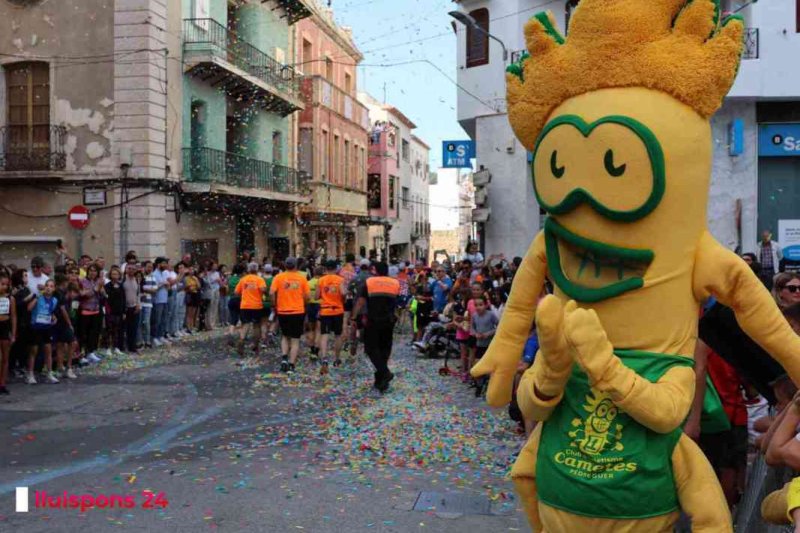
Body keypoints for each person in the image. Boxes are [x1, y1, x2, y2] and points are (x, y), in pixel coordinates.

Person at [353, 262, 399, 393]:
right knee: (384, 348)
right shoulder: (395, 283)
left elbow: (361, 302)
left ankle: (385, 372)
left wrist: (353, 317)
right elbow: (399, 300)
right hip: (389, 320)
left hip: (373, 320)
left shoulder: (370, 282)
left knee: (371, 348)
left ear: (376, 270)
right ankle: (380, 381)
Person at [270, 257, 310, 373]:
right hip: (297, 311)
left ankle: (284, 358)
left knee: (285, 336)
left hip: (283, 311)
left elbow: (271, 293)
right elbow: (307, 297)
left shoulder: (278, 277)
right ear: (296, 266)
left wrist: (275, 304)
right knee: (295, 339)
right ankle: (292, 364)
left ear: (285, 266)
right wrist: (303, 303)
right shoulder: (301, 278)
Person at [27, 279, 62, 384]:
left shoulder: (54, 300)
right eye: (47, 285)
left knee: (48, 350)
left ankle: (49, 373)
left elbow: (49, 312)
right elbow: (29, 308)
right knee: (33, 351)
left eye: (51, 286)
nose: (48, 288)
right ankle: (30, 374)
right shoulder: (39, 298)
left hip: (46, 328)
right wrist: (36, 297)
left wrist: (53, 317)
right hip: (36, 327)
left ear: (54, 289)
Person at [317, 260, 346, 373]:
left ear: (326, 268)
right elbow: (343, 293)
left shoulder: (321, 280)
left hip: (325, 311)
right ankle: (337, 358)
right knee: (338, 335)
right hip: (338, 310)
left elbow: (317, 295)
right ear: (336, 268)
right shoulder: (340, 279)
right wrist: (342, 298)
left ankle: (324, 358)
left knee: (324, 334)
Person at [235, 262, 267, 357]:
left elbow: (236, 292)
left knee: (245, 324)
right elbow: (263, 290)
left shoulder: (243, 279)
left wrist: (245, 293)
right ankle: (255, 345)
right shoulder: (259, 279)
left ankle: (241, 340)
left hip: (245, 305)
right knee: (256, 326)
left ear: (248, 270)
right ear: (257, 270)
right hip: (257, 305)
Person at [470, 295, 498, 397]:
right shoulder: (474, 316)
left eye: (480, 305)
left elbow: (499, 327)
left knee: (490, 368)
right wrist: (476, 333)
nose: (478, 307)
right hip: (479, 345)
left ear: (485, 305)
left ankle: (490, 387)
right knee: (477, 366)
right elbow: (471, 328)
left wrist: (489, 333)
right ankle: (479, 385)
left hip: (490, 346)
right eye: (476, 305)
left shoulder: (491, 315)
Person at [53, 274, 78, 379]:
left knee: (60, 345)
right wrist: (69, 324)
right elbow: (63, 311)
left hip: (60, 323)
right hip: (62, 323)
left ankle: (60, 367)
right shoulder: (61, 295)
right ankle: (68, 367)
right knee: (73, 343)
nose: (75, 295)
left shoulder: (66, 297)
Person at [79, 263, 105, 362]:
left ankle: (91, 352)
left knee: (94, 333)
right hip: (85, 311)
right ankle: (82, 353)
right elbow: (84, 295)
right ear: (87, 271)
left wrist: (102, 290)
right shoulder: (83, 281)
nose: (92, 272)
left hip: (96, 310)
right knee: (84, 334)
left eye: (95, 271)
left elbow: (103, 295)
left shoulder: (98, 281)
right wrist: (95, 289)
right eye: (91, 270)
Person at [0, 272, 17, 394]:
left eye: (6, 284)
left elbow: (13, 316)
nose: (4, 287)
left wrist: (14, 333)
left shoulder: (10, 298)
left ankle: (2, 383)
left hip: (5, 328)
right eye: (2, 284)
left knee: (5, 357)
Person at [104, 266, 126, 356]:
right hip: (110, 310)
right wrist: (114, 288)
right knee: (109, 330)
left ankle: (116, 347)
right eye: (113, 274)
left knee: (117, 330)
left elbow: (123, 298)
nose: (115, 276)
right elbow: (108, 297)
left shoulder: (121, 285)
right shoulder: (107, 286)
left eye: (116, 274)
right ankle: (108, 348)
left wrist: (124, 311)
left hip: (119, 311)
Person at [151, 258, 170, 346]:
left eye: (166, 263)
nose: (165, 265)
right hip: (157, 300)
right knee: (157, 320)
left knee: (164, 319)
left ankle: (161, 336)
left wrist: (167, 285)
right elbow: (154, 287)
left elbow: (167, 285)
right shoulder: (154, 274)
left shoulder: (164, 273)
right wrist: (163, 284)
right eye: (163, 263)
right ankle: (154, 337)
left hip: (164, 299)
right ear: (158, 264)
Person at [305, 266, 323, 360]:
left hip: (310, 305)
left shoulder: (308, 282)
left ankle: (311, 348)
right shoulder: (322, 282)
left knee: (311, 329)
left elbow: (305, 296)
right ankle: (316, 349)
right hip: (320, 306)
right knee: (319, 329)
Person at [138, 261, 157, 349]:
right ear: (144, 267)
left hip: (148, 303)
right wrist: (147, 289)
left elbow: (154, 290)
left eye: (151, 267)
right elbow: (139, 288)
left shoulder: (153, 277)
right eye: (148, 267)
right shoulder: (140, 277)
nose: (150, 269)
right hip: (139, 302)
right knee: (140, 323)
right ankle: (140, 341)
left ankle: (147, 341)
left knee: (147, 323)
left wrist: (145, 289)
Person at [123, 264, 141, 353]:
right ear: (126, 269)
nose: (131, 270)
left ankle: (132, 346)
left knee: (134, 328)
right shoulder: (123, 280)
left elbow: (138, 293)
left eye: (133, 269)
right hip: (126, 307)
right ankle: (124, 346)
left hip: (135, 306)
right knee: (126, 328)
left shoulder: (137, 279)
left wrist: (138, 304)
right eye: (129, 268)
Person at [184, 265, 201, 334]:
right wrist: (193, 287)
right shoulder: (186, 278)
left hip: (195, 295)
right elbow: (189, 287)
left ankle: (192, 326)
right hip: (190, 295)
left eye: (193, 270)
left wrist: (196, 281)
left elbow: (199, 286)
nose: (192, 271)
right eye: (190, 270)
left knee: (193, 313)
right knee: (189, 312)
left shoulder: (195, 278)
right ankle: (188, 327)